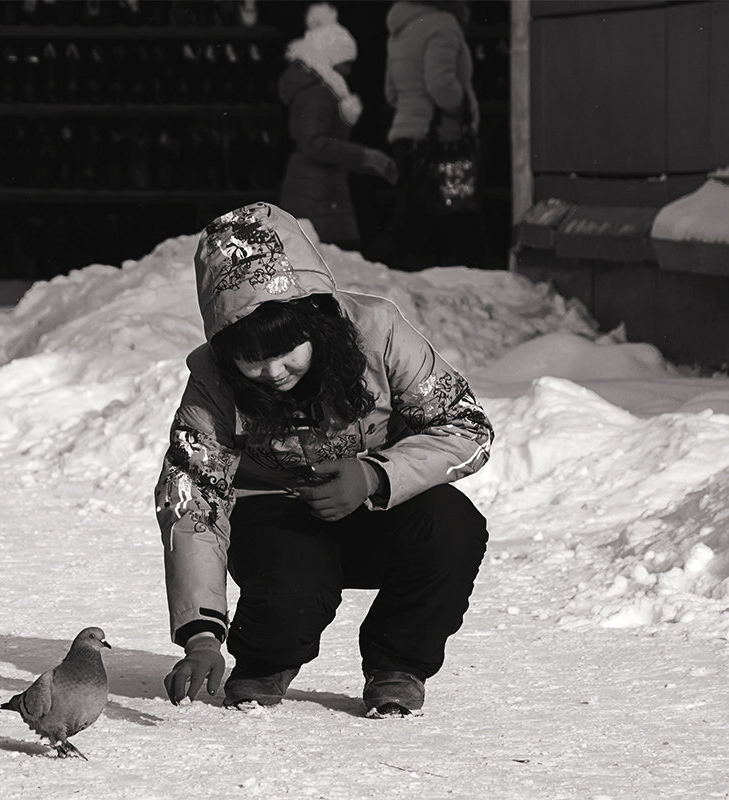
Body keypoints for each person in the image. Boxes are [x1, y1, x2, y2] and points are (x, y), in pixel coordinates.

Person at [157, 201, 492, 718]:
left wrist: (376, 476)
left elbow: (466, 425)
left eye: (287, 348)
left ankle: (397, 664)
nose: (272, 371)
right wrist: (202, 632)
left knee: (453, 527)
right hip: (272, 517)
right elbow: (191, 497)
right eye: (251, 359)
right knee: (296, 581)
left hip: (377, 501)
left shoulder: (377, 333)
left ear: (314, 319)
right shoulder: (213, 382)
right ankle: (264, 662)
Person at [364, 0, 486, 270]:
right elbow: (440, 85)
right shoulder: (443, 25)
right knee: (459, 224)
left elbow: (391, 93)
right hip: (441, 139)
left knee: (416, 222)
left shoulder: (400, 28)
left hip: (406, 139)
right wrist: (465, 105)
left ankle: (377, 273)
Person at [277, 3, 398, 250]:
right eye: (345, 63)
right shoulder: (320, 94)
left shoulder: (313, 89)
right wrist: (366, 156)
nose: (349, 70)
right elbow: (314, 142)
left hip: (316, 190)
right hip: (318, 194)